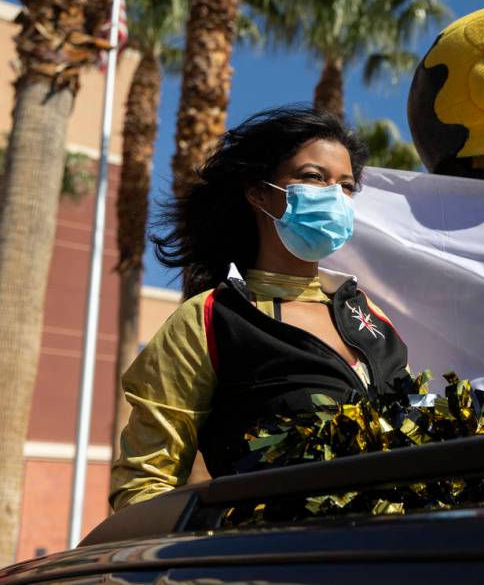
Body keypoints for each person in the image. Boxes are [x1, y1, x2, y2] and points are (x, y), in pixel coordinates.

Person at [110, 106, 409, 511]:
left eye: (346, 185)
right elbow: (144, 485)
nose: (334, 197)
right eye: (313, 177)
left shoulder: (368, 313)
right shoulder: (213, 318)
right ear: (259, 192)